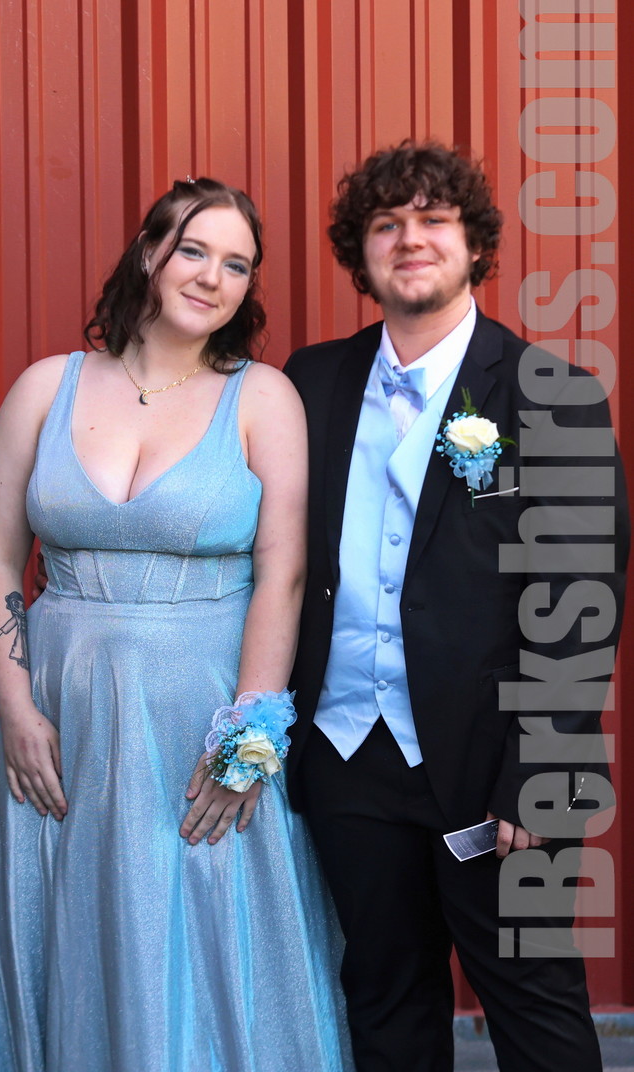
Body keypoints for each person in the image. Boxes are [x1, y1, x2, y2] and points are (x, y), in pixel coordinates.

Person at [0, 178, 352, 1071]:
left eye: (237, 264)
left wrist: (249, 741)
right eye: (193, 250)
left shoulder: (262, 399)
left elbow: (283, 574)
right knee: (72, 930)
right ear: (148, 253)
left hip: (201, 720)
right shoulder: (46, 388)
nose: (212, 276)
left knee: (205, 932)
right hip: (61, 719)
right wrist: (17, 712)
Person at [284, 140, 629, 1072]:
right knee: (384, 1001)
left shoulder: (552, 393)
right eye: (385, 224)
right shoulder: (309, 383)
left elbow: (580, 600)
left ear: (474, 245)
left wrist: (537, 769)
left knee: (534, 1006)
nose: (409, 239)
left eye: (433, 220)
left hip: (493, 768)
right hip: (348, 756)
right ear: (358, 254)